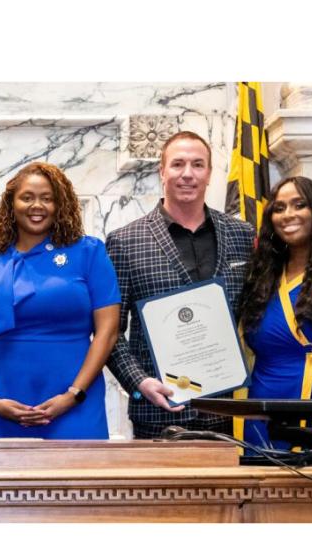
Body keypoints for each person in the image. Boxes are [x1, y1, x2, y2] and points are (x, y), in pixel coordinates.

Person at [105, 131, 255, 439]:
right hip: (159, 414)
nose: (187, 174)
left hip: (230, 412)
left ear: (210, 173)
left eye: (198, 165)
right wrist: (138, 382)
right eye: (178, 164)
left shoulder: (242, 235)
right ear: (162, 171)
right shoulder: (125, 242)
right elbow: (110, 331)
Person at [0, 162, 120, 439]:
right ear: (11, 203)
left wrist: (74, 394)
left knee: (74, 481)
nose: (37, 206)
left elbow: (108, 331)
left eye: (47, 198)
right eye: (27, 197)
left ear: (61, 204)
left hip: (74, 401)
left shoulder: (89, 252)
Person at [235, 176, 312, 445]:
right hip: (260, 406)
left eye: (299, 205)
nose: (288, 215)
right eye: (279, 208)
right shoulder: (261, 276)